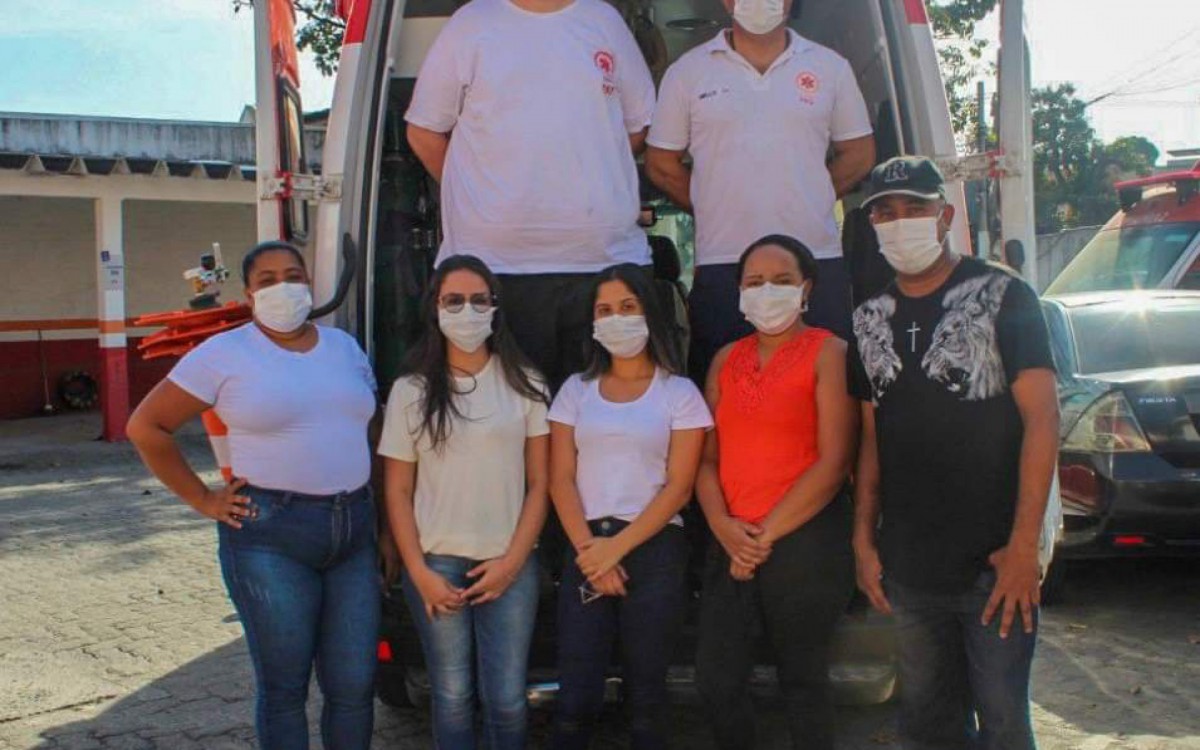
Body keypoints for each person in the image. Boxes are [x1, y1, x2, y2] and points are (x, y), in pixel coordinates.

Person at [126, 241, 380, 750]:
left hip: (354, 529)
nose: (283, 287)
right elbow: (147, 426)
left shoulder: (345, 349)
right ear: (249, 293)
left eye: (293, 275)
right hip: (271, 538)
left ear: (310, 284)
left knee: (354, 687)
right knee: (285, 689)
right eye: (267, 280)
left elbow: (368, 430)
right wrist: (203, 499)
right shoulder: (224, 354)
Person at [848, 156, 1059, 750]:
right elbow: (872, 439)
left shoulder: (1003, 295)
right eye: (885, 213)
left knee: (1002, 721)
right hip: (910, 568)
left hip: (994, 564)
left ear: (944, 214)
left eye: (915, 208)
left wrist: (1024, 547)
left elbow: (1042, 421)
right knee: (927, 722)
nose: (900, 222)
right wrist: (864, 541)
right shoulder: (868, 319)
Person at [405, 0, 657, 390]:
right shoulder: (473, 23)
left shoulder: (603, 19)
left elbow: (639, 125)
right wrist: (478, 196)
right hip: (493, 271)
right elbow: (424, 132)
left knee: (604, 424)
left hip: (605, 266)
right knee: (504, 427)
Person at [645, 0, 875, 384]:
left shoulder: (830, 67)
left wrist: (808, 193)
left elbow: (860, 154)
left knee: (827, 392)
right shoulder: (687, 73)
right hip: (724, 264)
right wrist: (714, 202)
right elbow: (661, 165)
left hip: (815, 260)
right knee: (724, 394)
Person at [378, 254, 551, 750]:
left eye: (479, 300)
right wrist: (420, 573)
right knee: (452, 695)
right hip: (436, 564)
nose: (468, 311)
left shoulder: (526, 384)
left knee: (507, 699)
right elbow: (398, 490)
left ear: (496, 309)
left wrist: (513, 562)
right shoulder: (411, 390)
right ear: (434, 308)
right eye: (454, 300)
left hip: (509, 563)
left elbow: (541, 484)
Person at [693, 235, 858, 750]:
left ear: (806, 289)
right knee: (717, 680)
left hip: (804, 541)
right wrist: (723, 527)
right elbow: (705, 457)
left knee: (803, 681)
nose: (768, 292)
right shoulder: (724, 359)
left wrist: (761, 538)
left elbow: (834, 461)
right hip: (730, 539)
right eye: (755, 282)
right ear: (739, 292)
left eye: (782, 281)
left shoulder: (830, 353)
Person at [547, 263, 711, 749]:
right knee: (575, 697)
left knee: (647, 697)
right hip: (586, 547)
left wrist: (614, 550)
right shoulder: (576, 390)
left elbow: (679, 488)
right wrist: (590, 551)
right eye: (605, 310)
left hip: (655, 547)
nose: (616, 319)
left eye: (628, 307)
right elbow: (559, 478)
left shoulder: (679, 393)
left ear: (649, 313)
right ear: (593, 324)